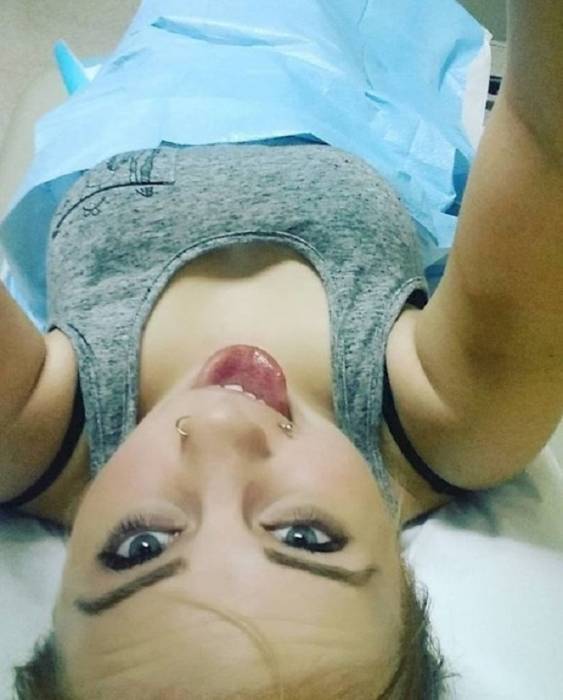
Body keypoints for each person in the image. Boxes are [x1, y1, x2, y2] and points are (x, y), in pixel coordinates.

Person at [1, 2, 562, 698]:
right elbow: (546, 139)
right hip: (343, 53)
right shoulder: (454, 419)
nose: (221, 426)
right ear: (405, 584)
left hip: (165, 57)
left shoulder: (34, 437)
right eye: (304, 537)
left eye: (140, 548)